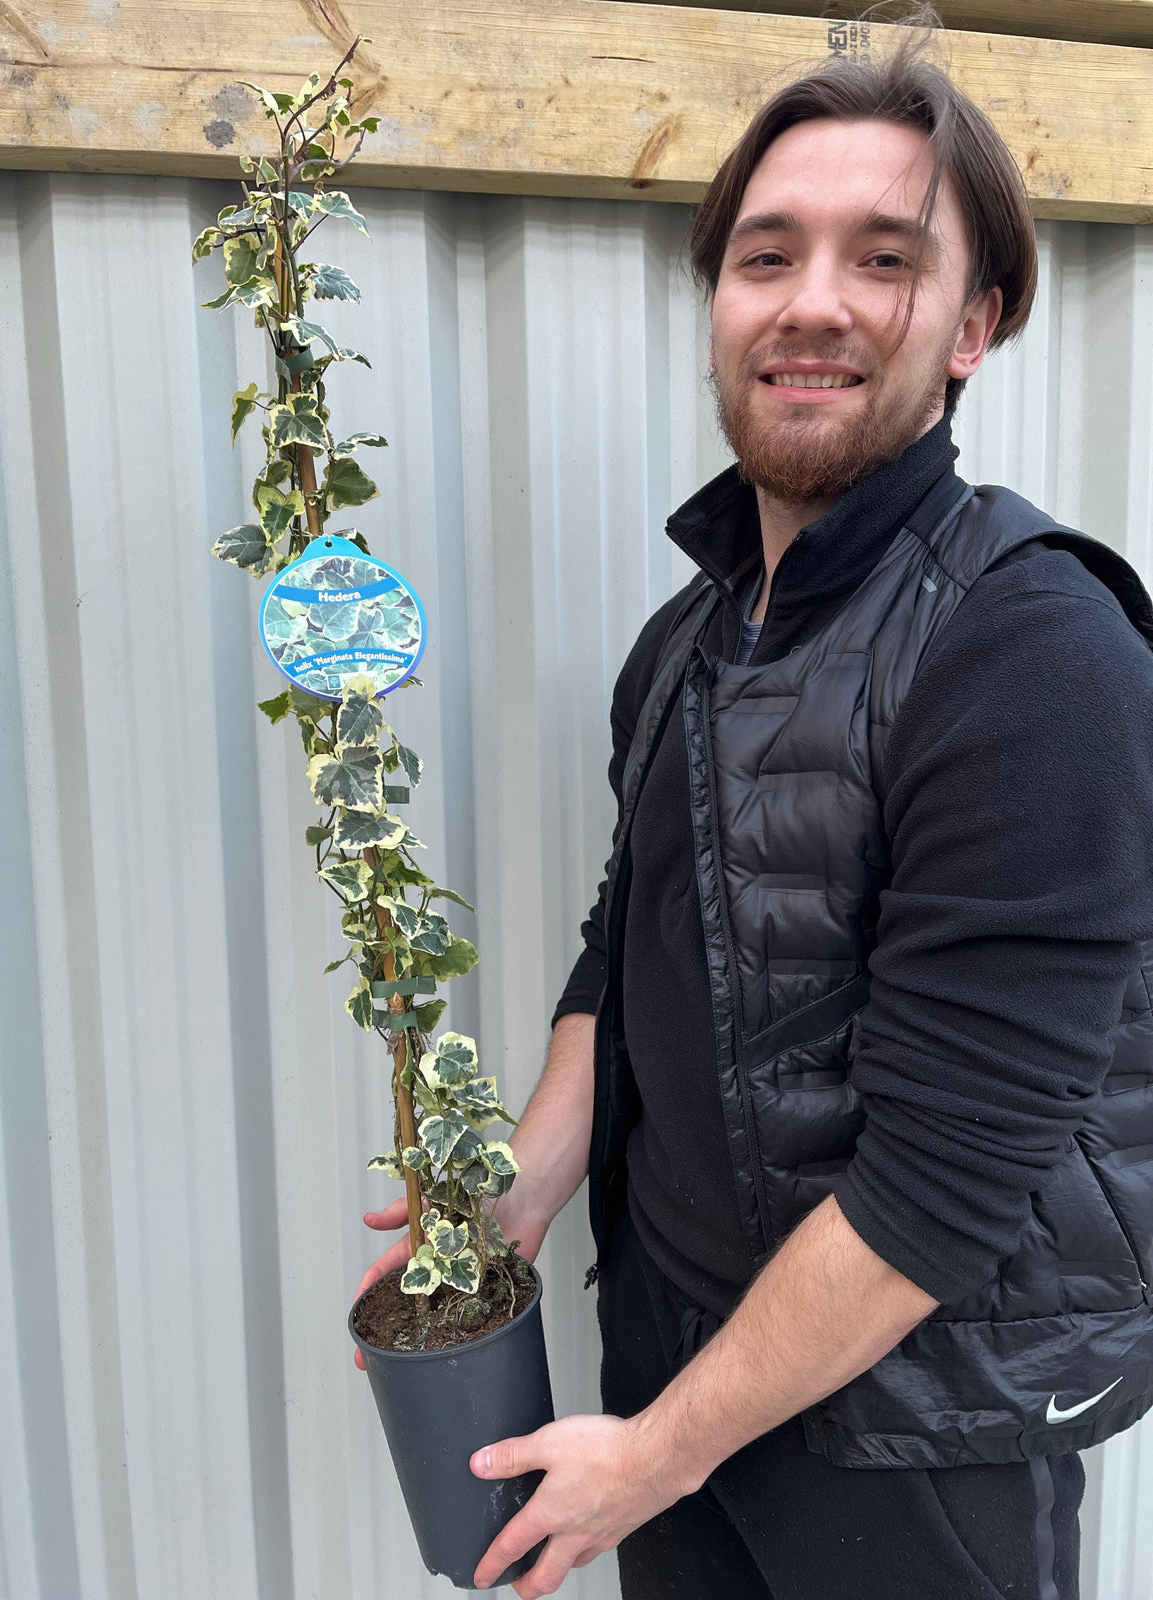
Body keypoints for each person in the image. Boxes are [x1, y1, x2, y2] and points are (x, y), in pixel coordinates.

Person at [355, 14, 1153, 1598]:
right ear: (718, 299)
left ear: (974, 322)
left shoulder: (1034, 649)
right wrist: (511, 1192)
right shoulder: (686, 642)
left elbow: (948, 1179)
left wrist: (649, 1460)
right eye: (765, 256)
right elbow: (624, 954)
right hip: (686, 1372)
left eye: (884, 259)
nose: (811, 305)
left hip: (919, 1438)